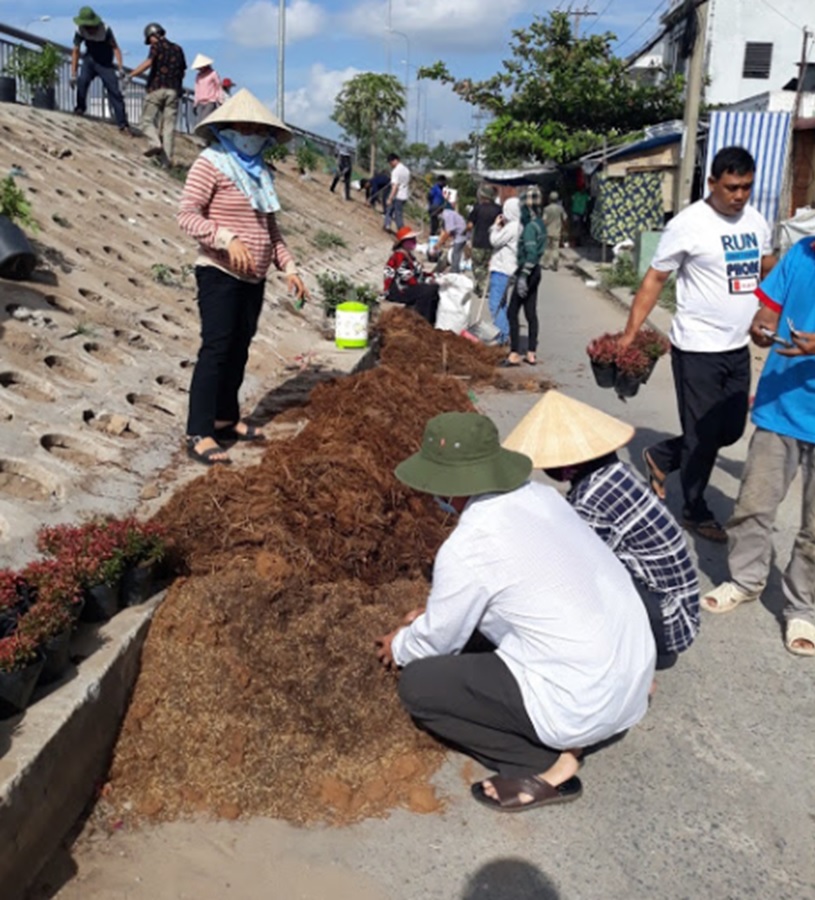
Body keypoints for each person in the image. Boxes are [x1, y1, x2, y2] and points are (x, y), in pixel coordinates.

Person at [376, 412, 655, 813]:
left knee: (421, 685)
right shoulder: (540, 497)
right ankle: (574, 724)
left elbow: (437, 640)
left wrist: (398, 646)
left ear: (448, 484)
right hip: (629, 680)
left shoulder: (469, 545)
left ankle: (542, 765)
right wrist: (434, 614)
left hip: (582, 702)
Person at [618, 146, 775, 543]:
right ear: (712, 183)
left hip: (737, 346)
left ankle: (663, 456)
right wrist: (631, 331)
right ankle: (693, 508)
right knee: (703, 434)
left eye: (747, 187)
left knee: (730, 430)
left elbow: (765, 265)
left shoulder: (756, 220)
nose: (739, 195)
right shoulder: (689, 224)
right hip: (697, 347)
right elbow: (655, 278)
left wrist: (775, 300)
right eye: (732, 187)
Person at [504, 390, 700, 670]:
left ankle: (623, 654)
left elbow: (575, 568)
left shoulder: (592, 496)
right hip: (673, 608)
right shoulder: (613, 473)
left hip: (666, 621)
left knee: (567, 583)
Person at [177, 89, 308, 466]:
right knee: (216, 348)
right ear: (227, 126)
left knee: (239, 348)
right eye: (243, 125)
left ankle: (225, 419)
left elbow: (271, 228)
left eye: (257, 127)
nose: (250, 131)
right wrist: (225, 238)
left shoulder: (261, 173)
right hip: (219, 273)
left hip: (253, 279)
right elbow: (187, 215)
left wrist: (290, 267)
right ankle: (199, 432)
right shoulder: (210, 163)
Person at [703, 237, 815, 657]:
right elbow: (770, 306)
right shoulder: (803, 253)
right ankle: (746, 580)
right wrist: (761, 326)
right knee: (753, 503)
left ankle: (804, 605)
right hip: (779, 404)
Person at [128, 22, 187, 167]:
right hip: (173, 91)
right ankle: (166, 163)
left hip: (157, 88)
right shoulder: (178, 49)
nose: (150, 43)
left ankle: (154, 143)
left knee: (146, 121)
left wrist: (131, 74)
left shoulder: (157, 46)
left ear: (153, 35)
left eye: (150, 40)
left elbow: (149, 62)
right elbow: (182, 71)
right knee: (168, 127)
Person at [503, 186, 546, 367]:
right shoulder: (541, 224)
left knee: (512, 311)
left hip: (528, 272)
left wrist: (522, 277)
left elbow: (531, 254)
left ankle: (514, 353)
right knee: (530, 313)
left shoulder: (529, 228)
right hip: (536, 272)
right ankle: (531, 353)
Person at [70, 6, 130, 134]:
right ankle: (80, 108)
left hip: (105, 63)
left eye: (91, 27)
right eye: (87, 27)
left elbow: (115, 48)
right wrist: (73, 73)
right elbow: (75, 50)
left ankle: (123, 123)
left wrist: (120, 67)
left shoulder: (106, 30)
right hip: (89, 60)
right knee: (82, 81)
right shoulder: (79, 31)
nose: (90, 30)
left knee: (114, 90)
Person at [383, 226, 439, 324]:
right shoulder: (399, 256)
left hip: (407, 287)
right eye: (411, 240)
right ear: (403, 242)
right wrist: (426, 281)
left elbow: (418, 273)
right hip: (398, 291)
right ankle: (421, 320)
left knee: (435, 289)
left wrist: (432, 276)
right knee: (427, 290)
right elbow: (407, 278)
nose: (414, 241)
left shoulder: (409, 255)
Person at [487, 195, 520, 345]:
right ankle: (505, 332)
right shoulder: (518, 226)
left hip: (502, 270)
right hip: (508, 269)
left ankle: (503, 336)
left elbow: (494, 240)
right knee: (502, 304)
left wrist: (495, 226)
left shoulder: (513, 227)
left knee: (495, 304)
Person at [467, 184, 502, 296]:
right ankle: (480, 286)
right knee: (487, 266)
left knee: (477, 266)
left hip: (478, 242)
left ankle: (482, 287)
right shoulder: (498, 209)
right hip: (493, 243)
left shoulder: (477, 208)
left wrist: (464, 231)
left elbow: (470, 225)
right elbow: (502, 225)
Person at [190, 53, 224, 125]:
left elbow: (218, 87)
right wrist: (195, 103)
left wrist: (220, 99)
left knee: (204, 120)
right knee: (199, 121)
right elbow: (197, 89)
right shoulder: (198, 76)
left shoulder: (213, 73)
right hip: (200, 102)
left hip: (211, 101)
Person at [436, 203, 468, 274]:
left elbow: (448, 232)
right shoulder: (448, 213)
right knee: (456, 253)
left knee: (455, 254)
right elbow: (446, 231)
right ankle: (455, 269)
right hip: (461, 233)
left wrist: (439, 243)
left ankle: (455, 271)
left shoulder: (447, 215)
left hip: (461, 234)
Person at [384, 152, 410, 232]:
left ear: (393, 161)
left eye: (390, 163)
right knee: (389, 209)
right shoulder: (406, 170)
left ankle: (401, 232)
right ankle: (387, 225)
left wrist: (390, 198)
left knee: (398, 215)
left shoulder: (395, 171)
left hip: (398, 196)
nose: (390, 165)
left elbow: (395, 186)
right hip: (405, 195)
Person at [542, 191, 567, 271]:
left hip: (547, 231)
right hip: (557, 231)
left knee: (547, 248)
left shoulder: (546, 209)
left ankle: (545, 264)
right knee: (555, 249)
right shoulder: (560, 209)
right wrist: (564, 228)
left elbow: (544, 220)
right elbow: (565, 218)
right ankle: (555, 265)